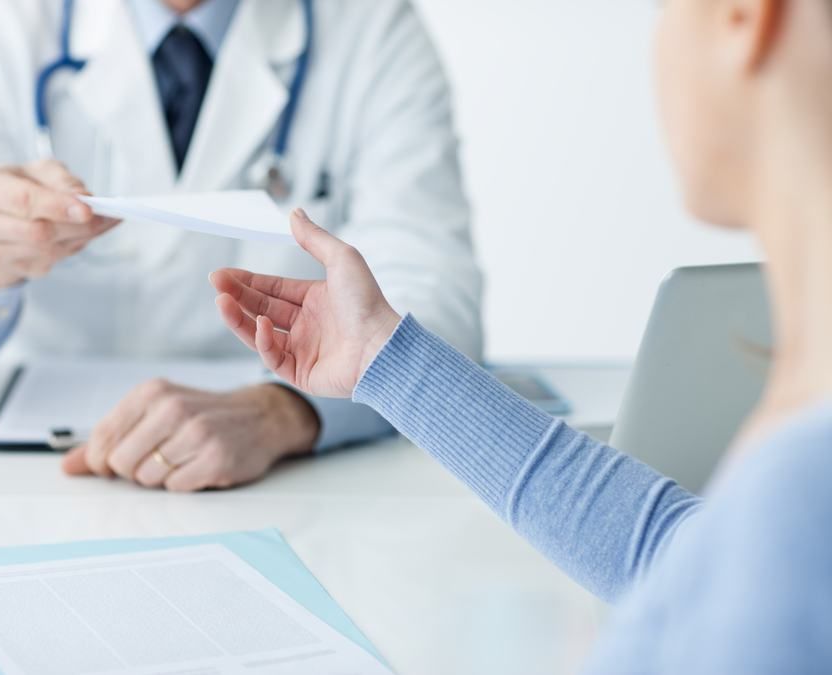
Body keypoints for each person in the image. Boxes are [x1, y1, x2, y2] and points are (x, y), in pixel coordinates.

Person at [211, 0, 832, 669]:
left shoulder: (799, 495)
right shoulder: (794, 505)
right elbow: (682, 555)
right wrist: (381, 358)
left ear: (744, 16)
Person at [0, 0, 483, 491]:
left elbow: (440, 307)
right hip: (32, 480)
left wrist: (283, 412)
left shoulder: (370, 26)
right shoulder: (7, 23)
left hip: (288, 483)